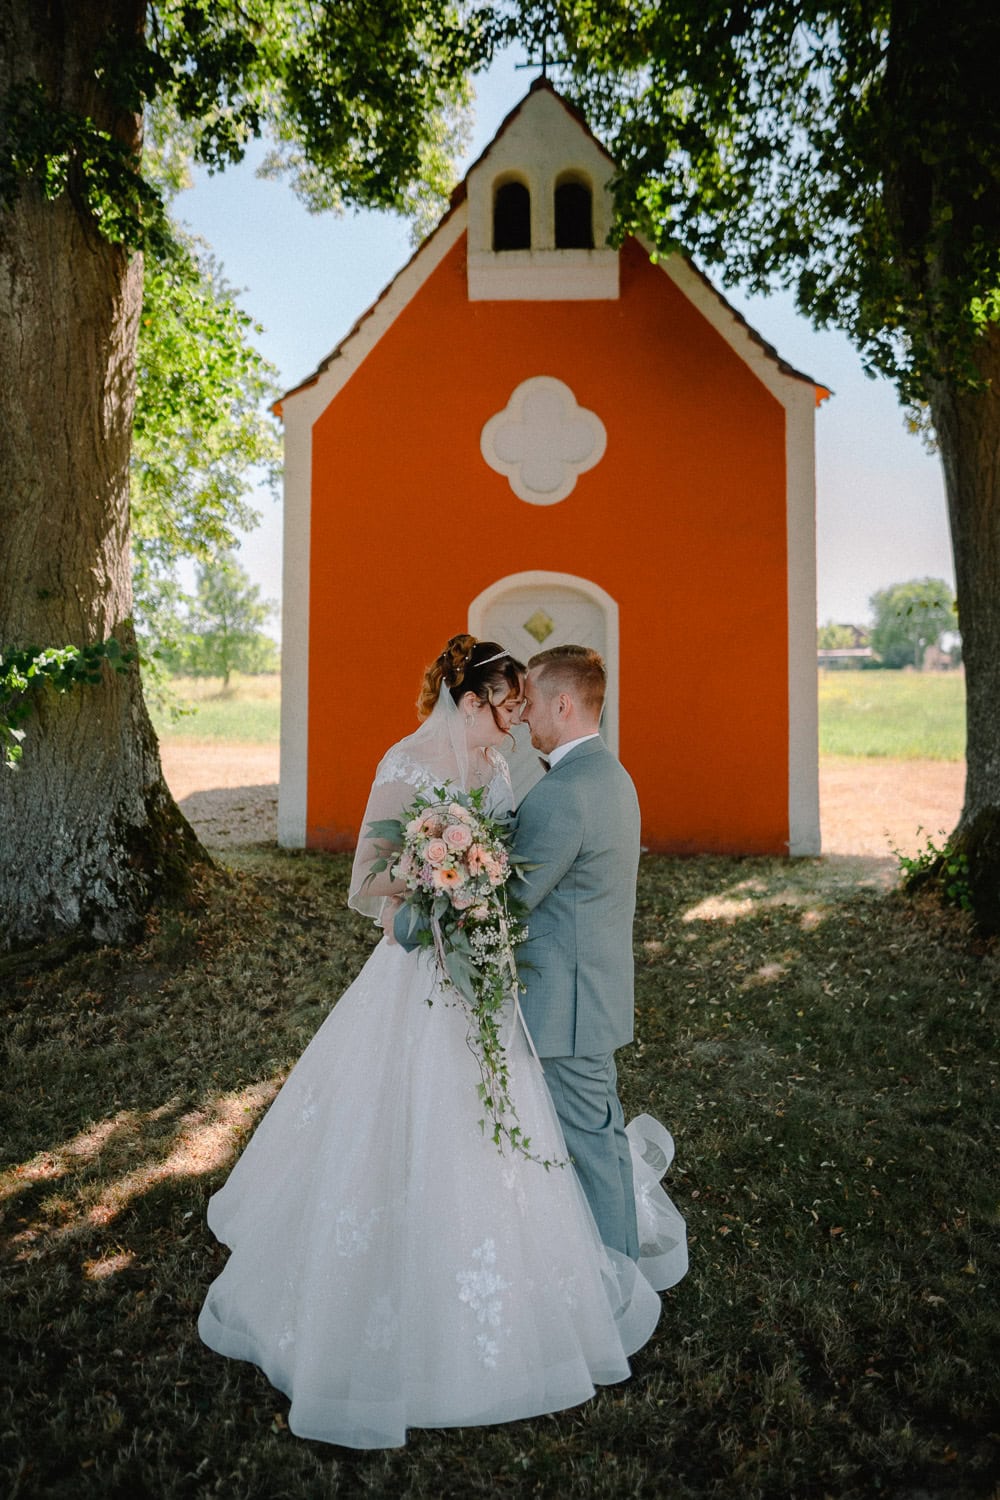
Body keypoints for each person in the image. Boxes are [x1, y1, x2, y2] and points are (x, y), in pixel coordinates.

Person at [198, 635, 684, 1450]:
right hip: (421, 973)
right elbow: (369, 881)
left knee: (509, 1131)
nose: (517, 718)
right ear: (470, 702)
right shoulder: (408, 763)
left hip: (491, 980)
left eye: (525, 706)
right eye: (506, 705)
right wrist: (437, 906)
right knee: (403, 1121)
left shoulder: (503, 773)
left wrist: (469, 894)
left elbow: (508, 870)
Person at [515, 646, 646, 1260]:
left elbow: (509, 899)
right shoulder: (610, 775)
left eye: (532, 701)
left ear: (562, 703)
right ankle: (620, 1262)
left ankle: (615, 1286)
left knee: (590, 1146)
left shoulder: (562, 793)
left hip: (564, 1005)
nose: (521, 714)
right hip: (591, 991)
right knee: (603, 1135)